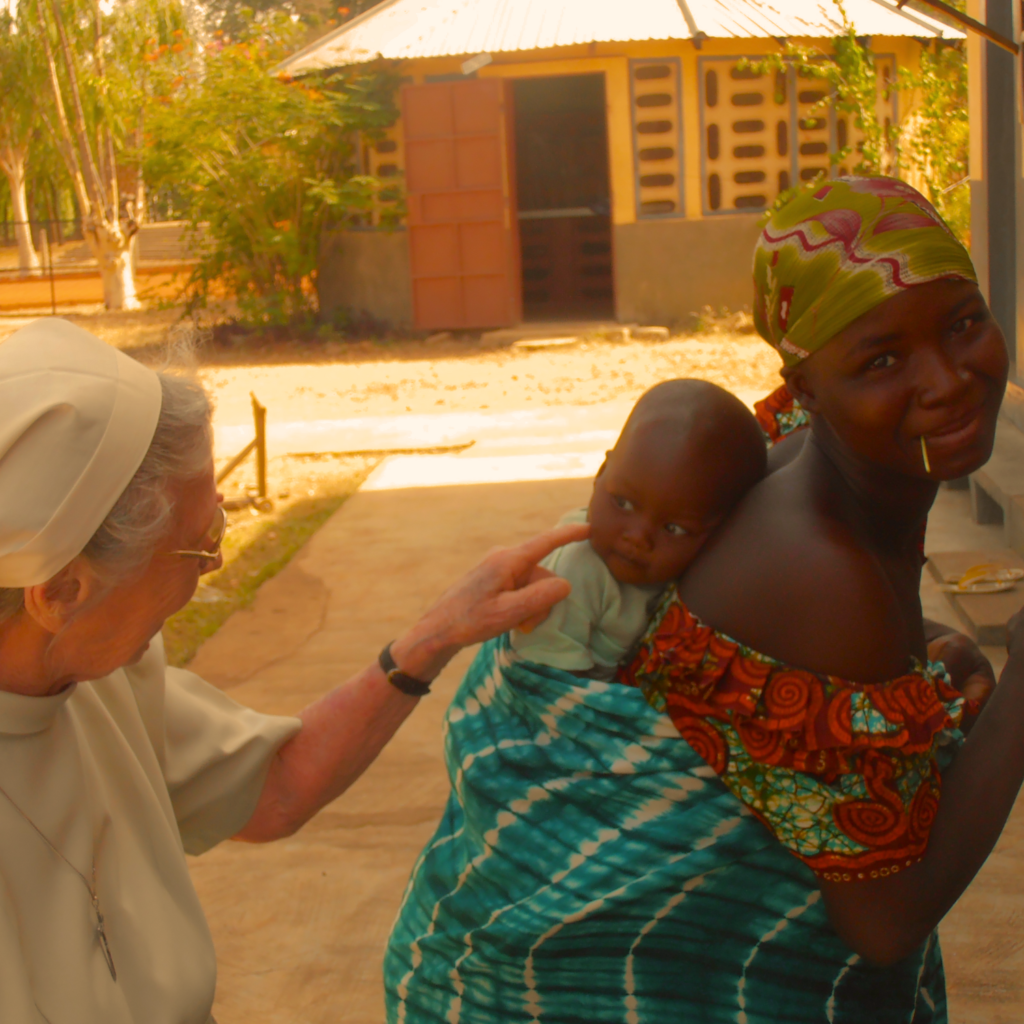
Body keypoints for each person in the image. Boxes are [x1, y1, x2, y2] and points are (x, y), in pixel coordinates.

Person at [385, 177, 1012, 1023]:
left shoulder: (795, 448)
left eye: (964, 321)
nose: (948, 379)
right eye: (884, 360)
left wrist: (924, 651)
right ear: (804, 386)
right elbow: (884, 920)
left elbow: (784, 673)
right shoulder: (824, 567)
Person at [0, 317, 587, 1024]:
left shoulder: (107, 673)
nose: (217, 563)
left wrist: (436, 634)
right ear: (59, 592)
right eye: (198, 547)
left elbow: (272, 790)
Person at [510, 379, 766, 678]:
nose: (638, 537)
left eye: (674, 528)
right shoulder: (574, 571)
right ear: (602, 472)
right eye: (623, 503)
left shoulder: (698, 574)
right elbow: (544, 682)